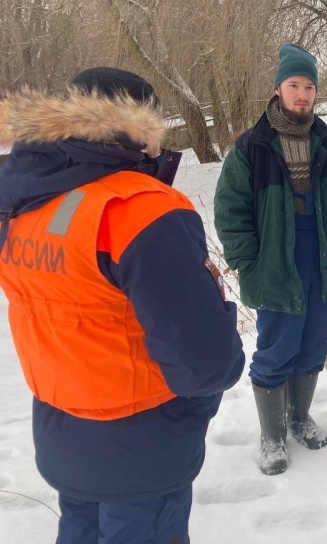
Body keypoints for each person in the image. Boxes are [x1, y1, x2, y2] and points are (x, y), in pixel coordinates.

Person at [0, 67, 245, 544]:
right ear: (139, 127)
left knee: (81, 529)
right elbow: (205, 361)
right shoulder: (141, 210)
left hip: (62, 429)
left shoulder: (20, 202)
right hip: (143, 440)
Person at [214, 43, 327, 476]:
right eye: (294, 84)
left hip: (322, 255)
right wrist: (248, 263)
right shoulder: (252, 146)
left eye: (310, 86)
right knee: (277, 346)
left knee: (313, 344)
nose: (303, 94)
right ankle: (272, 435)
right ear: (277, 88)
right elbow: (230, 212)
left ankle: (300, 419)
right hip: (277, 259)